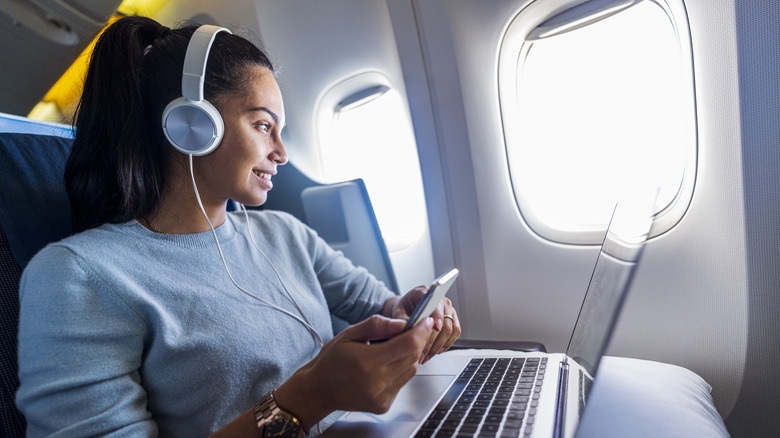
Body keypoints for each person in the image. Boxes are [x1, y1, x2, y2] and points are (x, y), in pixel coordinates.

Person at [15, 15, 460, 437]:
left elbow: (379, 306)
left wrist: (413, 313)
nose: (282, 152)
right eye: (264, 125)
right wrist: (311, 398)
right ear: (191, 125)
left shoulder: (286, 234)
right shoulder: (77, 276)